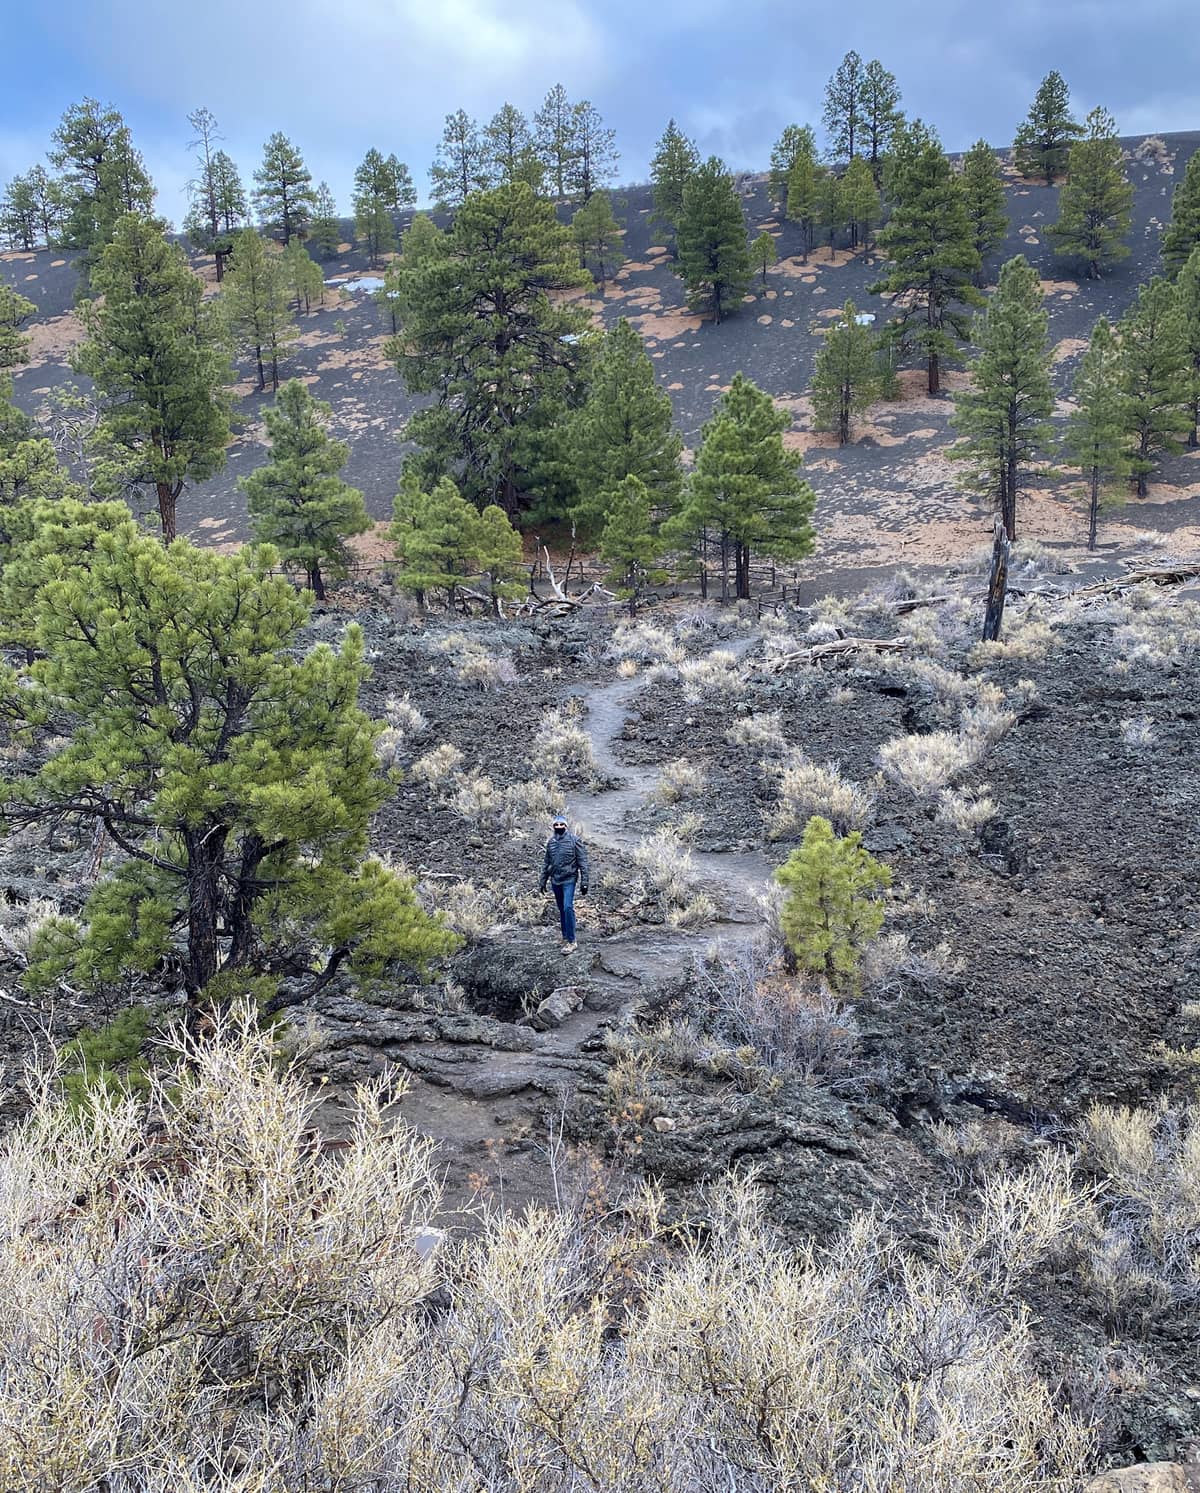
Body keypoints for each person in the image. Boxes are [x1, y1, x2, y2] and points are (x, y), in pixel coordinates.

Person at [538, 814, 589, 955]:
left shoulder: (574, 841)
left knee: (568, 907)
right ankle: (565, 936)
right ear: (553, 826)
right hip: (556, 880)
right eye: (556, 825)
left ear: (566, 826)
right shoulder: (551, 842)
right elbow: (546, 863)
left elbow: (583, 862)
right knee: (561, 909)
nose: (559, 827)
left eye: (562, 825)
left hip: (569, 879)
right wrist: (542, 881)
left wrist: (585, 882)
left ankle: (572, 942)